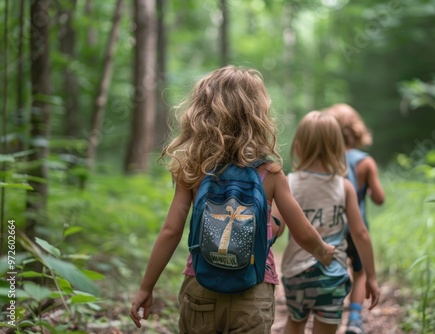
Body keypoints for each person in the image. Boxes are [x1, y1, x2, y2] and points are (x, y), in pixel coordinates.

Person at [129, 65, 336, 334]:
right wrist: (323, 251)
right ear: (257, 115)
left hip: (201, 286)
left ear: (201, 114)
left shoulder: (192, 169)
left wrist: (147, 287)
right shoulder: (270, 173)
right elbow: (302, 231)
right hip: (254, 288)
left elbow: (171, 231)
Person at [272, 111, 380, 334]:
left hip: (296, 273)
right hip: (332, 273)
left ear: (299, 147)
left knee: (295, 322)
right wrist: (371, 276)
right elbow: (360, 233)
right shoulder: (344, 187)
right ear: (337, 148)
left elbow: (277, 229)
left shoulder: (289, 182)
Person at [324, 103, 385, 334]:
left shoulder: (327, 160)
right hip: (357, 226)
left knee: (334, 268)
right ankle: (355, 320)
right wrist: (367, 187)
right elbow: (379, 198)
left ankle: (329, 314)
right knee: (359, 272)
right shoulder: (365, 162)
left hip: (332, 226)